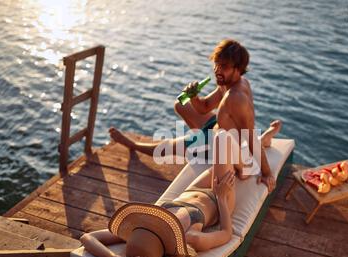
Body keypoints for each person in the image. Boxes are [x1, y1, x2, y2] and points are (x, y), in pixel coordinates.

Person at [80, 123, 280, 257]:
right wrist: (220, 197)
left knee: (224, 147)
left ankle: (261, 143)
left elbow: (88, 237)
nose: (153, 223)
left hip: (193, 191)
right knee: (223, 139)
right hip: (218, 199)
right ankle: (249, 161)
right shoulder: (189, 237)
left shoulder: (141, 229)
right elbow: (226, 234)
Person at [109, 39, 281, 192]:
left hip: (219, 144)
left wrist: (267, 173)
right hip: (215, 127)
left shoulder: (236, 97)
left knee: (165, 147)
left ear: (238, 69)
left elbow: (248, 136)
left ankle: (132, 144)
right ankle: (264, 138)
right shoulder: (227, 83)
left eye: (224, 67)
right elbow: (204, 107)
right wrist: (193, 96)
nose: (217, 70)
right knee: (180, 104)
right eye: (216, 64)